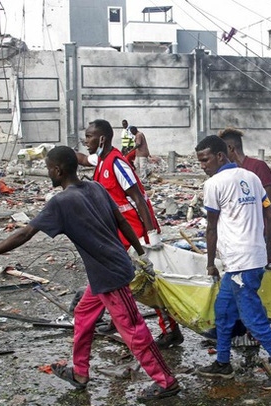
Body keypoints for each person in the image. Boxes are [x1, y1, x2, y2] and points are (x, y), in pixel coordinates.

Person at [0, 146, 179, 401]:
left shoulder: (61, 202)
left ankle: (166, 382)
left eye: (48, 169)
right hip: (104, 272)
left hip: (111, 274)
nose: (48, 174)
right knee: (83, 314)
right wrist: (139, 253)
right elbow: (122, 222)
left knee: (133, 330)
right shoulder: (96, 187)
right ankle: (79, 372)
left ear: (58, 170)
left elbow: (24, 234)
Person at [194, 135, 271, 390]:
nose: (202, 166)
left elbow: (211, 228)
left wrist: (210, 263)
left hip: (239, 262)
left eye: (205, 159)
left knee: (252, 319)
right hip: (249, 260)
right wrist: (268, 250)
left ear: (220, 156)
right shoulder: (251, 177)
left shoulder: (214, 184)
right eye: (199, 161)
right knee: (223, 311)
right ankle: (222, 363)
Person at [77, 119, 184, 349]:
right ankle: (118, 320)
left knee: (149, 284)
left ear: (102, 138)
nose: (86, 141)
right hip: (120, 232)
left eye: (89, 137)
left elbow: (138, 197)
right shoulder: (101, 161)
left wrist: (151, 234)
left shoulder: (117, 163)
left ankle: (171, 330)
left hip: (136, 232)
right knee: (117, 280)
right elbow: (83, 159)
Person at [218, 127, 271, 243]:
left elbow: (269, 205)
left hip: (267, 232)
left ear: (230, 148)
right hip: (247, 233)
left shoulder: (258, 167)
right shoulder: (231, 172)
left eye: (222, 151)